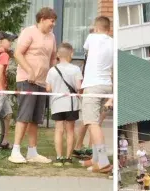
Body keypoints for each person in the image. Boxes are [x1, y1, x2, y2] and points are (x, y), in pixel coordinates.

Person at [9, 7, 57, 164]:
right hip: (26, 80)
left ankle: (32, 152)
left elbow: (53, 59)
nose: (53, 24)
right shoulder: (29, 32)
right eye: (51, 20)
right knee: (24, 115)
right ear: (42, 19)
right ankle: (15, 151)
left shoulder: (52, 37)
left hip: (42, 83)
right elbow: (17, 53)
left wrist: (52, 79)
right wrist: (29, 70)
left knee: (36, 119)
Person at [79, 16, 113, 174]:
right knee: (96, 124)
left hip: (92, 85)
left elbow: (85, 47)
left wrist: (93, 30)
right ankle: (95, 158)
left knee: (91, 123)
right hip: (106, 85)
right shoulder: (112, 42)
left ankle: (103, 161)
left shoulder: (92, 37)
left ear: (97, 27)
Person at [46, 42, 83, 167]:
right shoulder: (76, 69)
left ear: (58, 55)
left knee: (58, 130)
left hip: (57, 103)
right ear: (71, 54)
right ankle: (68, 158)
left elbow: (48, 88)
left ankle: (58, 157)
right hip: (71, 103)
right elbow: (79, 87)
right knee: (70, 131)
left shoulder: (52, 70)